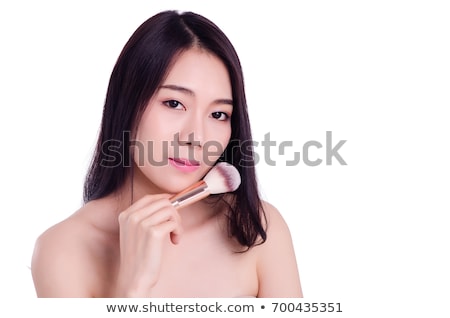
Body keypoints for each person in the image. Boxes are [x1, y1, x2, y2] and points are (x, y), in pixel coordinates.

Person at [31, 10, 303, 298]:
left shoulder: (257, 228)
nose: (196, 138)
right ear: (128, 102)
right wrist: (133, 288)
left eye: (218, 113)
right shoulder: (63, 250)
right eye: (174, 103)